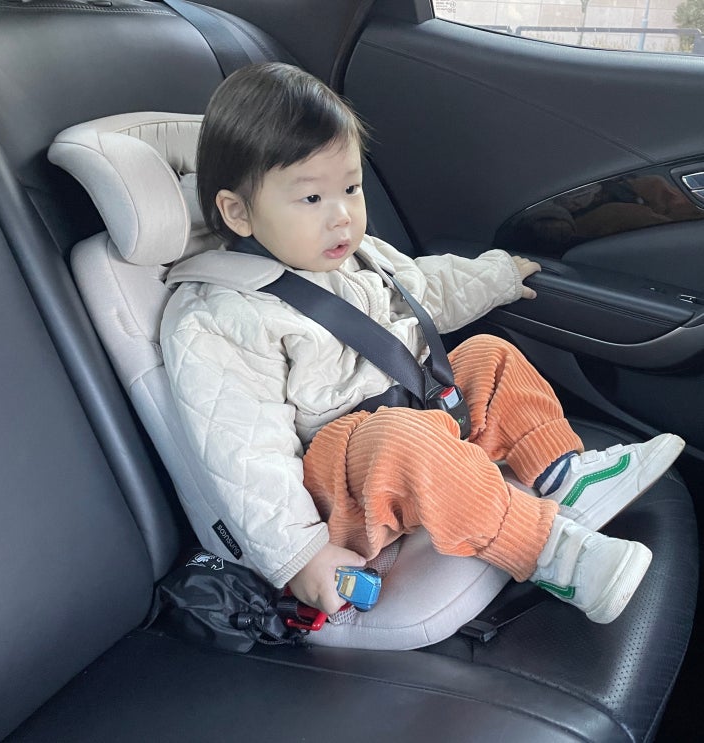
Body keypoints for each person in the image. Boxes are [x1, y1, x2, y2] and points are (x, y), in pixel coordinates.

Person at [161, 62, 684, 626]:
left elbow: (426, 289)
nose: (342, 216)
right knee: (406, 436)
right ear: (237, 212)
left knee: (488, 357)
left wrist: (499, 276)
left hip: (409, 419)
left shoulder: (358, 257)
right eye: (311, 198)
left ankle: (564, 477)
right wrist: (301, 556)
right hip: (339, 487)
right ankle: (551, 553)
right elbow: (244, 456)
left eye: (351, 188)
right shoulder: (221, 316)